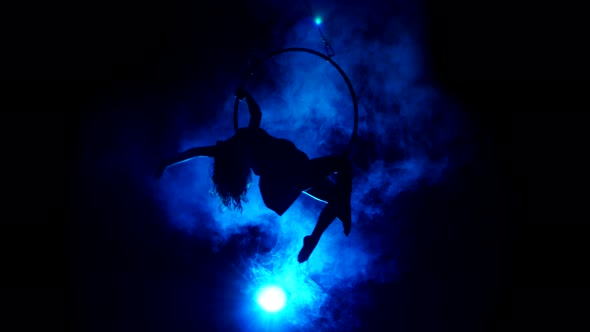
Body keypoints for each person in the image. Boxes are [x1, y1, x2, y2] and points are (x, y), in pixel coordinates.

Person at [155, 88, 352, 263]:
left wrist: (166, 163)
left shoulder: (232, 147)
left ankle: (317, 234)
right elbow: (255, 113)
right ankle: (321, 231)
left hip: (286, 178)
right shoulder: (239, 142)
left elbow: (195, 151)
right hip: (290, 172)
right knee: (343, 168)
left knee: (337, 196)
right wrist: (246, 96)